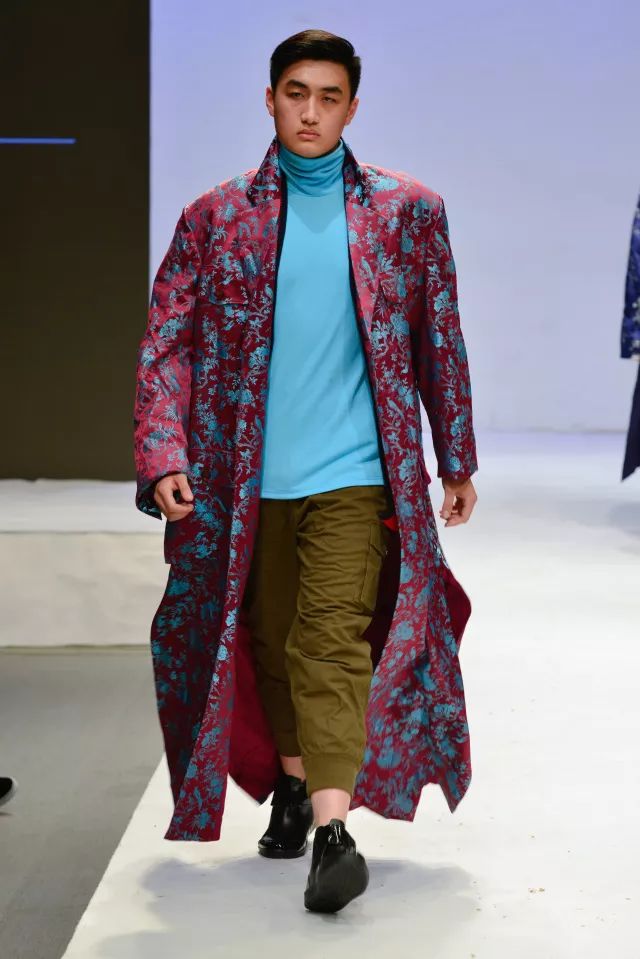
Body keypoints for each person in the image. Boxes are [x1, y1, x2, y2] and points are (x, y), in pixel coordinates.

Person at [133, 29, 478, 914]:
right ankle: (291, 783)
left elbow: (438, 341)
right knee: (273, 642)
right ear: (270, 99)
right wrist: (164, 452)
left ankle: (333, 831)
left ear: (353, 107)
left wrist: (456, 456)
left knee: (329, 641)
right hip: (243, 483)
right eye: (296, 93)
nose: (312, 112)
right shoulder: (216, 218)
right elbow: (168, 342)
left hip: (358, 474)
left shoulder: (407, 212)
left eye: (329, 97)